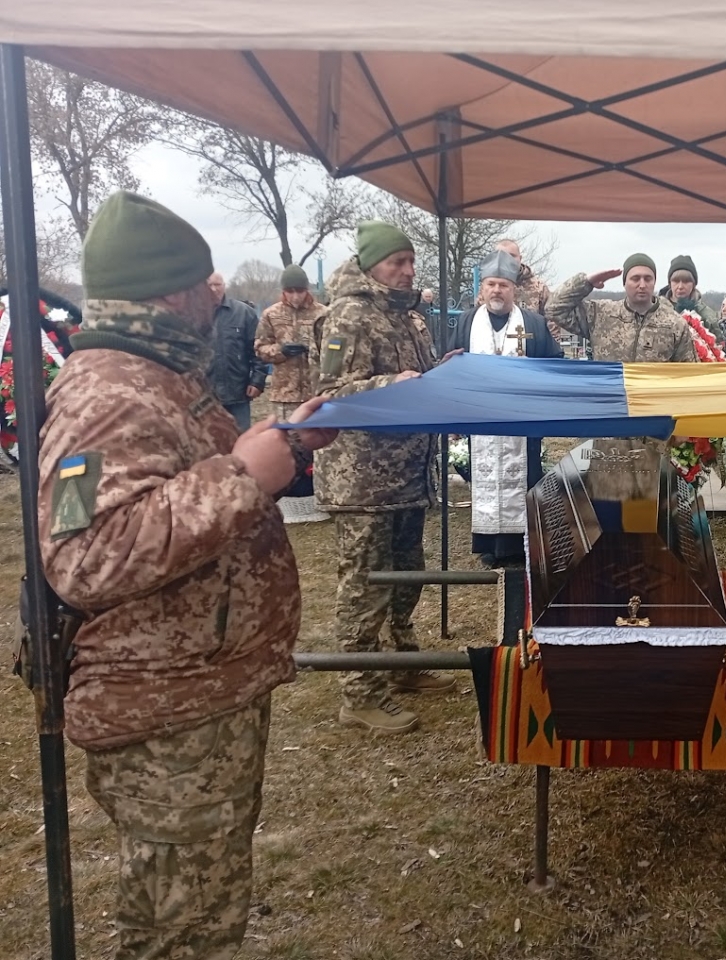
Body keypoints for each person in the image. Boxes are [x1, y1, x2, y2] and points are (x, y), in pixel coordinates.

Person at [37, 191, 336, 959]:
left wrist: (285, 445)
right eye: (204, 280)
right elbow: (82, 555)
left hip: (195, 691)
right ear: (169, 292)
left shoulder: (156, 374)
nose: (216, 292)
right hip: (166, 711)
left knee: (192, 911)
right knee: (184, 928)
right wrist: (243, 474)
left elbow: (175, 485)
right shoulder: (107, 392)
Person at [314, 220, 456, 736]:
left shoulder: (410, 317)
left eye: (411, 261)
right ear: (372, 264)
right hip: (363, 481)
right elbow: (329, 393)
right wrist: (391, 382)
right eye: (398, 262)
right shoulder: (348, 315)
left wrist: (443, 370)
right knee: (365, 585)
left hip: (408, 476)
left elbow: (417, 381)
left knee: (406, 575)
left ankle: (402, 663)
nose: (408, 270)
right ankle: (361, 693)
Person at [444, 249, 562, 568]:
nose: (497, 290)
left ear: (514, 289)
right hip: (480, 418)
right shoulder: (467, 321)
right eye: (491, 284)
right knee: (486, 478)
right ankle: (489, 546)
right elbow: (450, 364)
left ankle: (522, 545)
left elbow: (555, 365)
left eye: (503, 285)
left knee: (525, 481)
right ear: (482, 288)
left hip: (522, 422)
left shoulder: (533, 323)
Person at [543, 253, 696, 362]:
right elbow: (553, 308)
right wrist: (586, 282)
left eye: (648, 279)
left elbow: (689, 373)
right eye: (635, 279)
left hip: (653, 397)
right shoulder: (600, 314)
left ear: (654, 282)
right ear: (624, 283)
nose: (642, 285)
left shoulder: (674, 324)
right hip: (610, 395)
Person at [255, 263, 327, 420]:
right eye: (290, 291)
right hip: (285, 395)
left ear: (307, 290)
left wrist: (315, 350)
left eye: (300, 291)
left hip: (316, 392)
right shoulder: (271, 314)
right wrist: (280, 350)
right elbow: (260, 348)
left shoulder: (323, 314)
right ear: (283, 291)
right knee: (287, 434)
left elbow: (334, 348)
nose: (295, 296)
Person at [207, 270, 267, 432]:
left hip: (238, 393)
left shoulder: (244, 313)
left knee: (242, 440)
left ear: (224, 286)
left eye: (217, 284)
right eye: (209, 285)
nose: (213, 289)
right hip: (205, 397)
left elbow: (257, 350)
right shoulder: (193, 315)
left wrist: (257, 381)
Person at [659, 254, 722, 339]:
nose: (680, 286)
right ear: (670, 283)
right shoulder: (657, 310)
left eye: (686, 281)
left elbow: (718, 344)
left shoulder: (706, 316)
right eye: (676, 281)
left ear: (694, 284)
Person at [495, 238, 551, 316]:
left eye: (512, 256)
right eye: (503, 256)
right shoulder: (490, 286)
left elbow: (550, 319)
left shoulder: (539, 288)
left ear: (520, 258)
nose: (508, 260)